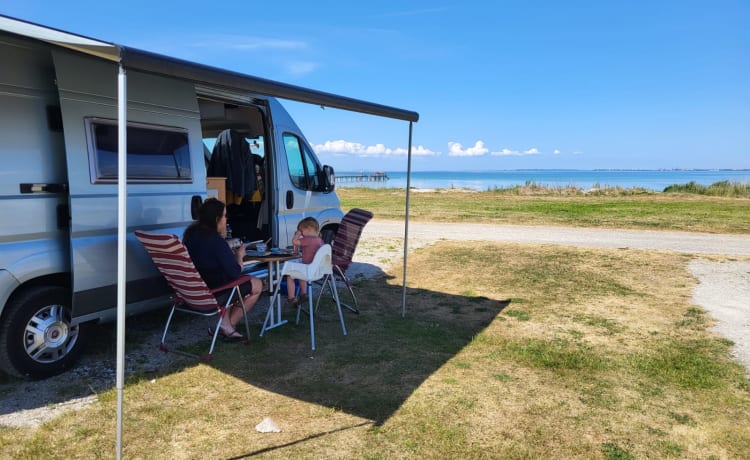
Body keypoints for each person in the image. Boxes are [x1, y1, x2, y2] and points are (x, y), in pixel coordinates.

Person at [183, 198, 262, 341]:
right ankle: (227, 325)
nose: (226, 219)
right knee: (257, 284)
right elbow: (235, 272)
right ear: (216, 219)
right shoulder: (216, 241)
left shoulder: (190, 235)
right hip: (215, 291)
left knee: (232, 283)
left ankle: (225, 324)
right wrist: (239, 256)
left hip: (194, 290)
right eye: (225, 216)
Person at [285, 217, 324, 308]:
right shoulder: (320, 240)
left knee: (290, 276)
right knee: (300, 273)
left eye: (301, 231)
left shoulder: (308, 239)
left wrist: (297, 234)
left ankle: (291, 298)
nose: (301, 233)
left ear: (309, 229)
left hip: (308, 269)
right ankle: (303, 294)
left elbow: (294, 242)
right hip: (316, 270)